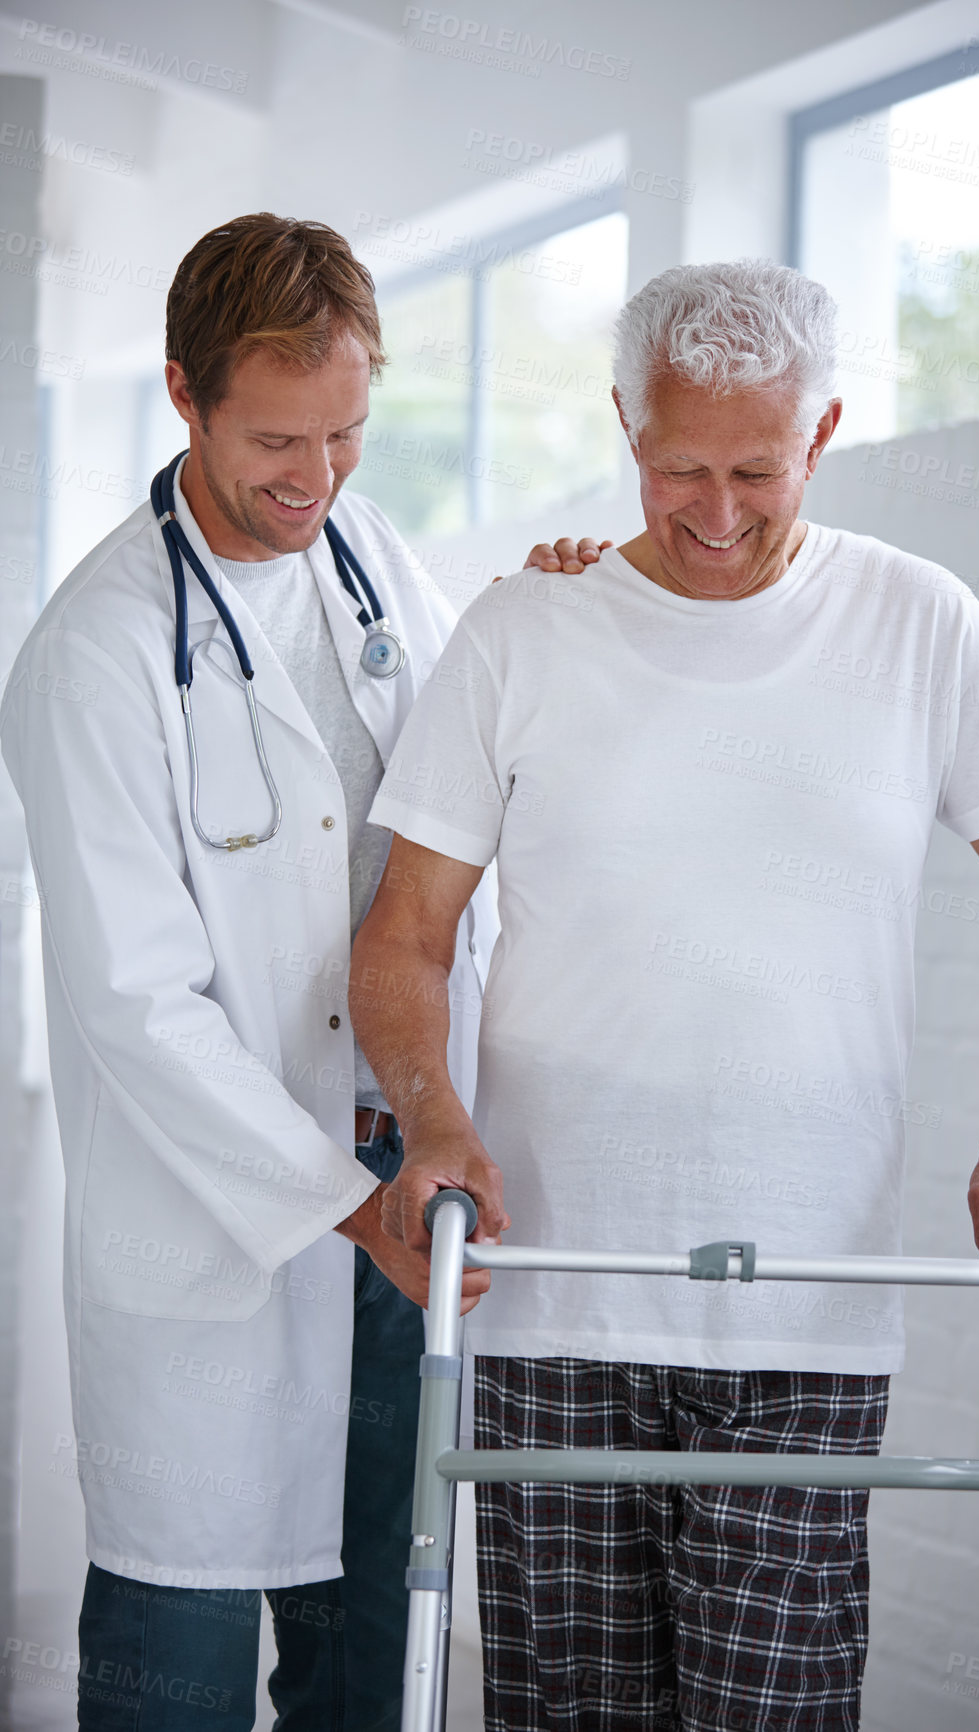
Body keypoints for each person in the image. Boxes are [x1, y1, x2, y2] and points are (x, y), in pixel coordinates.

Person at [349, 259, 979, 1731]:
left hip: (809, 1317)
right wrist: (434, 1127)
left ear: (819, 434)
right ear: (624, 429)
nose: (712, 514)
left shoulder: (921, 624)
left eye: (755, 471)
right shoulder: (523, 629)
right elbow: (404, 935)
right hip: (551, 1300)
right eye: (675, 469)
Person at [0, 211, 607, 1732]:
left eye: (344, 434)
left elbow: (475, 750)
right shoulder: (100, 650)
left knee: (371, 1648)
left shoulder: (365, 555)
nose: (314, 479)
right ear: (182, 395)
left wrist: (565, 602)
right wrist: (341, 1204)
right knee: (180, 1654)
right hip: (238, 1215)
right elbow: (135, 1008)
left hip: (399, 1183)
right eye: (276, 439)